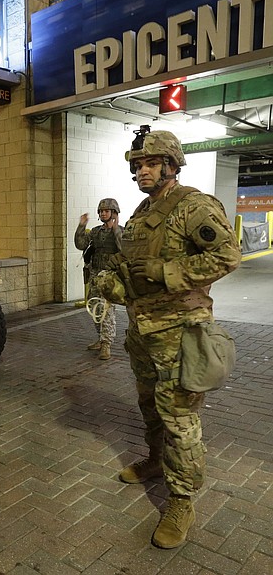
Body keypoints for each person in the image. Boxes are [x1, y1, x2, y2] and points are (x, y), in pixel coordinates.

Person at [94, 128, 241, 549]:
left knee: (180, 419)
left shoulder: (194, 205)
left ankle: (182, 500)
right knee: (149, 405)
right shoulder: (143, 210)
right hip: (144, 331)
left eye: (150, 163)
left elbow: (227, 255)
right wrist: (114, 283)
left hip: (181, 333)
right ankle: (156, 461)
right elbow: (134, 267)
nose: (141, 170)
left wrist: (166, 273)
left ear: (171, 165)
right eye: (137, 164)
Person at [74, 198, 123, 360]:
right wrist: (82, 226)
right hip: (95, 274)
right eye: (101, 211)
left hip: (110, 275)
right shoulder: (95, 232)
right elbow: (80, 244)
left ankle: (106, 343)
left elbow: (123, 248)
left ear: (114, 213)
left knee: (106, 309)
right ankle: (100, 337)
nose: (103, 213)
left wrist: (115, 229)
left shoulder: (122, 231)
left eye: (106, 211)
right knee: (94, 306)